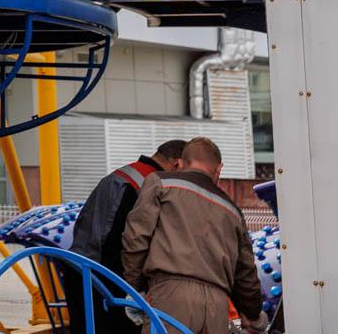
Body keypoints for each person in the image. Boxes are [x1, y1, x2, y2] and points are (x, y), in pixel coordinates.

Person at [120, 137, 265, 334]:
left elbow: (136, 237)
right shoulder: (232, 211)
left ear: (179, 163)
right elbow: (246, 272)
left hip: (170, 296)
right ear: (218, 169)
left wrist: (134, 288)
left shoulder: (160, 183)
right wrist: (253, 314)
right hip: (217, 307)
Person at [63, 139, 188, 333]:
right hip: (104, 279)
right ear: (177, 164)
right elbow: (125, 243)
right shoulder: (148, 185)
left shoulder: (121, 176)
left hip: (80, 271)